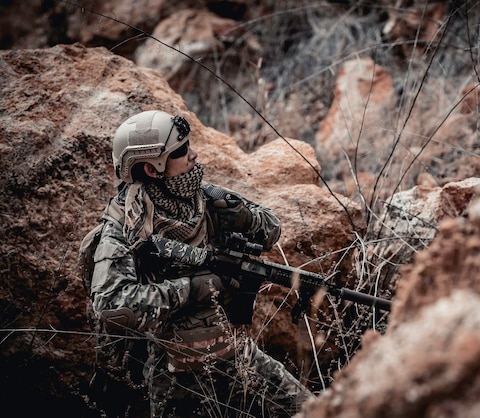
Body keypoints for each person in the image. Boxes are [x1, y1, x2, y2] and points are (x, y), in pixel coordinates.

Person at [82, 109, 314, 417]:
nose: (193, 155)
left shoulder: (204, 198)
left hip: (232, 351)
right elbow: (110, 305)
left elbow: (271, 231)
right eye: (181, 151)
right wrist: (190, 289)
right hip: (171, 370)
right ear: (153, 169)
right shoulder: (124, 227)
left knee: (313, 410)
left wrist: (245, 216)